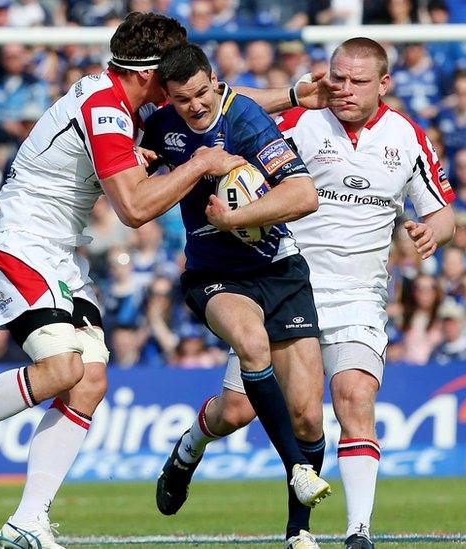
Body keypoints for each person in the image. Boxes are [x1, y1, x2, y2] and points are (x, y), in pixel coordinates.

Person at [0, 13, 348, 549]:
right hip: (24, 242)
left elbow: (219, 99)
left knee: (88, 382)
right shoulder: (108, 110)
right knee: (62, 368)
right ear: (150, 74)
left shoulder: (127, 95)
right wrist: (198, 164)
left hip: (62, 252)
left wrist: (295, 93)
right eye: (171, 77)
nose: (183, 91)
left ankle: (28, 519)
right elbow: (134, 208)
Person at [151, 38, 455, 549]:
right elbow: (227, 104)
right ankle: (190, 446)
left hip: (359, 294)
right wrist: (293, 93)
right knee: (236, 412)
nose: (344, 89)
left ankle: (356, 532)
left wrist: (433, 232)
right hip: (287, 281)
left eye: (358, 81)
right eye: (337, 77)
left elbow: (442, 211)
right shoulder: (301, 121)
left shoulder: (408, 138)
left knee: (353, 398)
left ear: (385, 85)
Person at [141, 43, 331, 549]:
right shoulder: (158, 123)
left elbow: (304, 195)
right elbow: (126, 156)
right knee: (250, 341)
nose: (195, 106)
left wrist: (234, 217)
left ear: (215, 81)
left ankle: (192, 450)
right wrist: (140, 160)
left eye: (202, 93)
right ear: (169, 98)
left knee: (293, 414)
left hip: (278, 270)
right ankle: (297, 471)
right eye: (182, 100)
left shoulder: (245, 119)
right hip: (214, 273)